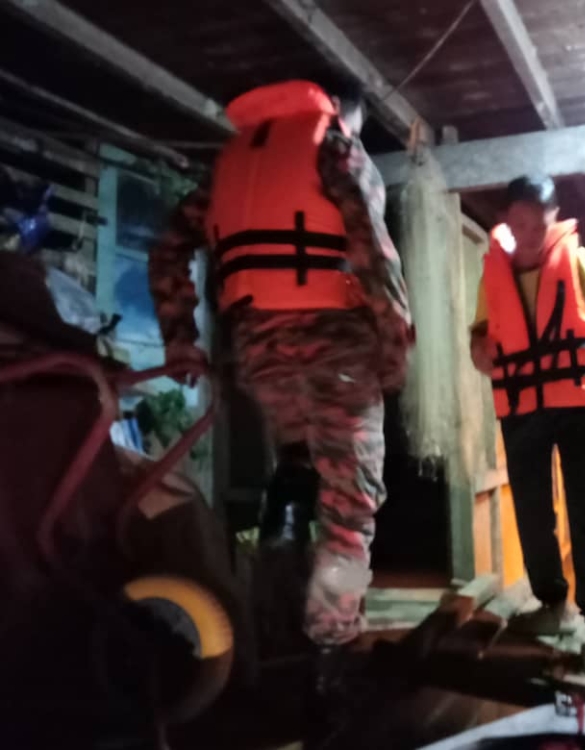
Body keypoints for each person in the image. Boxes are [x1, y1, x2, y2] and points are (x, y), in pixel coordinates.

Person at [148, 78, 413, 685]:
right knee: (350, 511)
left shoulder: (232, 163)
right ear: (346, 118)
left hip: (260, 351)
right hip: (334, 347)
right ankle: (331, 650)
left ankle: (273, 616)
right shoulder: (337, 148)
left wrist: (180, 338)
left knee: (296, 470)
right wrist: (396, 347)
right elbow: (373, 251)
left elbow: (167, 248)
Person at [469, 175, 585, 682]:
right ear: (507, 222)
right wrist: (480, 353)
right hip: (522, 406)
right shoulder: (494, 271)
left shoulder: (578, 260)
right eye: (518, 223)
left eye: (537, 224)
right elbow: (481, 336)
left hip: (580, 404)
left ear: (553, 217)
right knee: (532, 511)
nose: (527, 234)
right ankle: (551, 602)